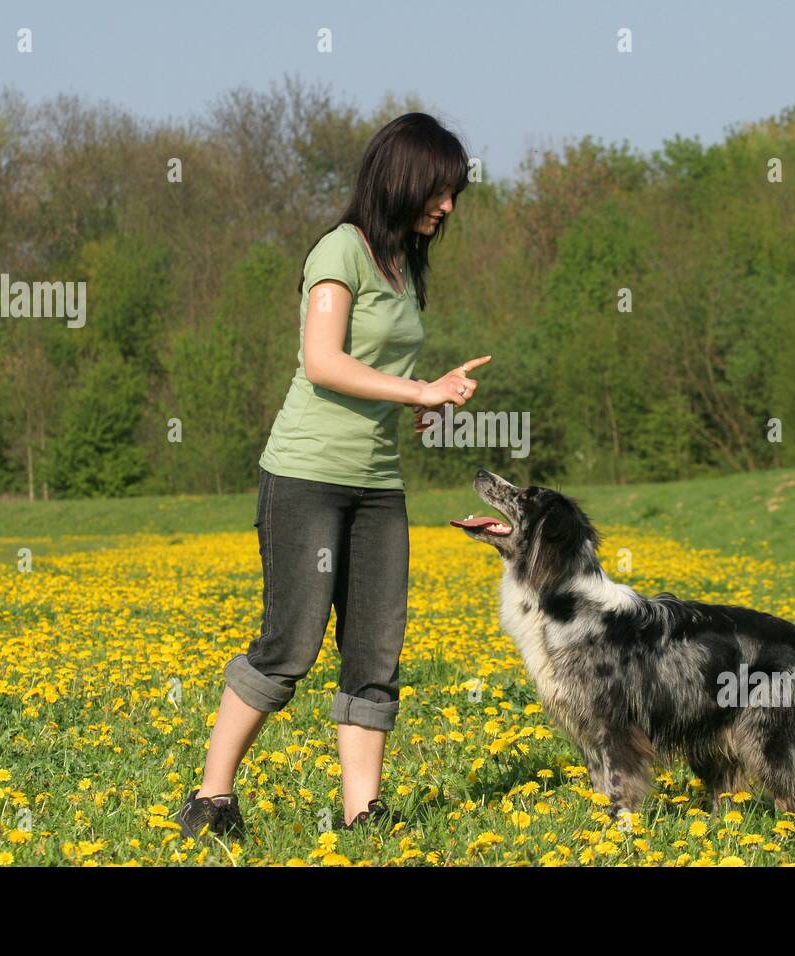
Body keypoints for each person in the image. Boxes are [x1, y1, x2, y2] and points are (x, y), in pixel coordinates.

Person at [177, 112, 491, 839]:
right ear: (401, 178)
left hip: (378, 483)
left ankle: (362, 813)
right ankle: (211, 799)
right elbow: (323, 361)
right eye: (438, 191)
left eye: (455, 194)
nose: (447, 207)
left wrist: (421, 407)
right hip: (308, 477)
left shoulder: (407, 267)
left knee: (376, 649)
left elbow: (378, 371)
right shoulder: (339, 252)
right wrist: (419, 390)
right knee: (290, 643)